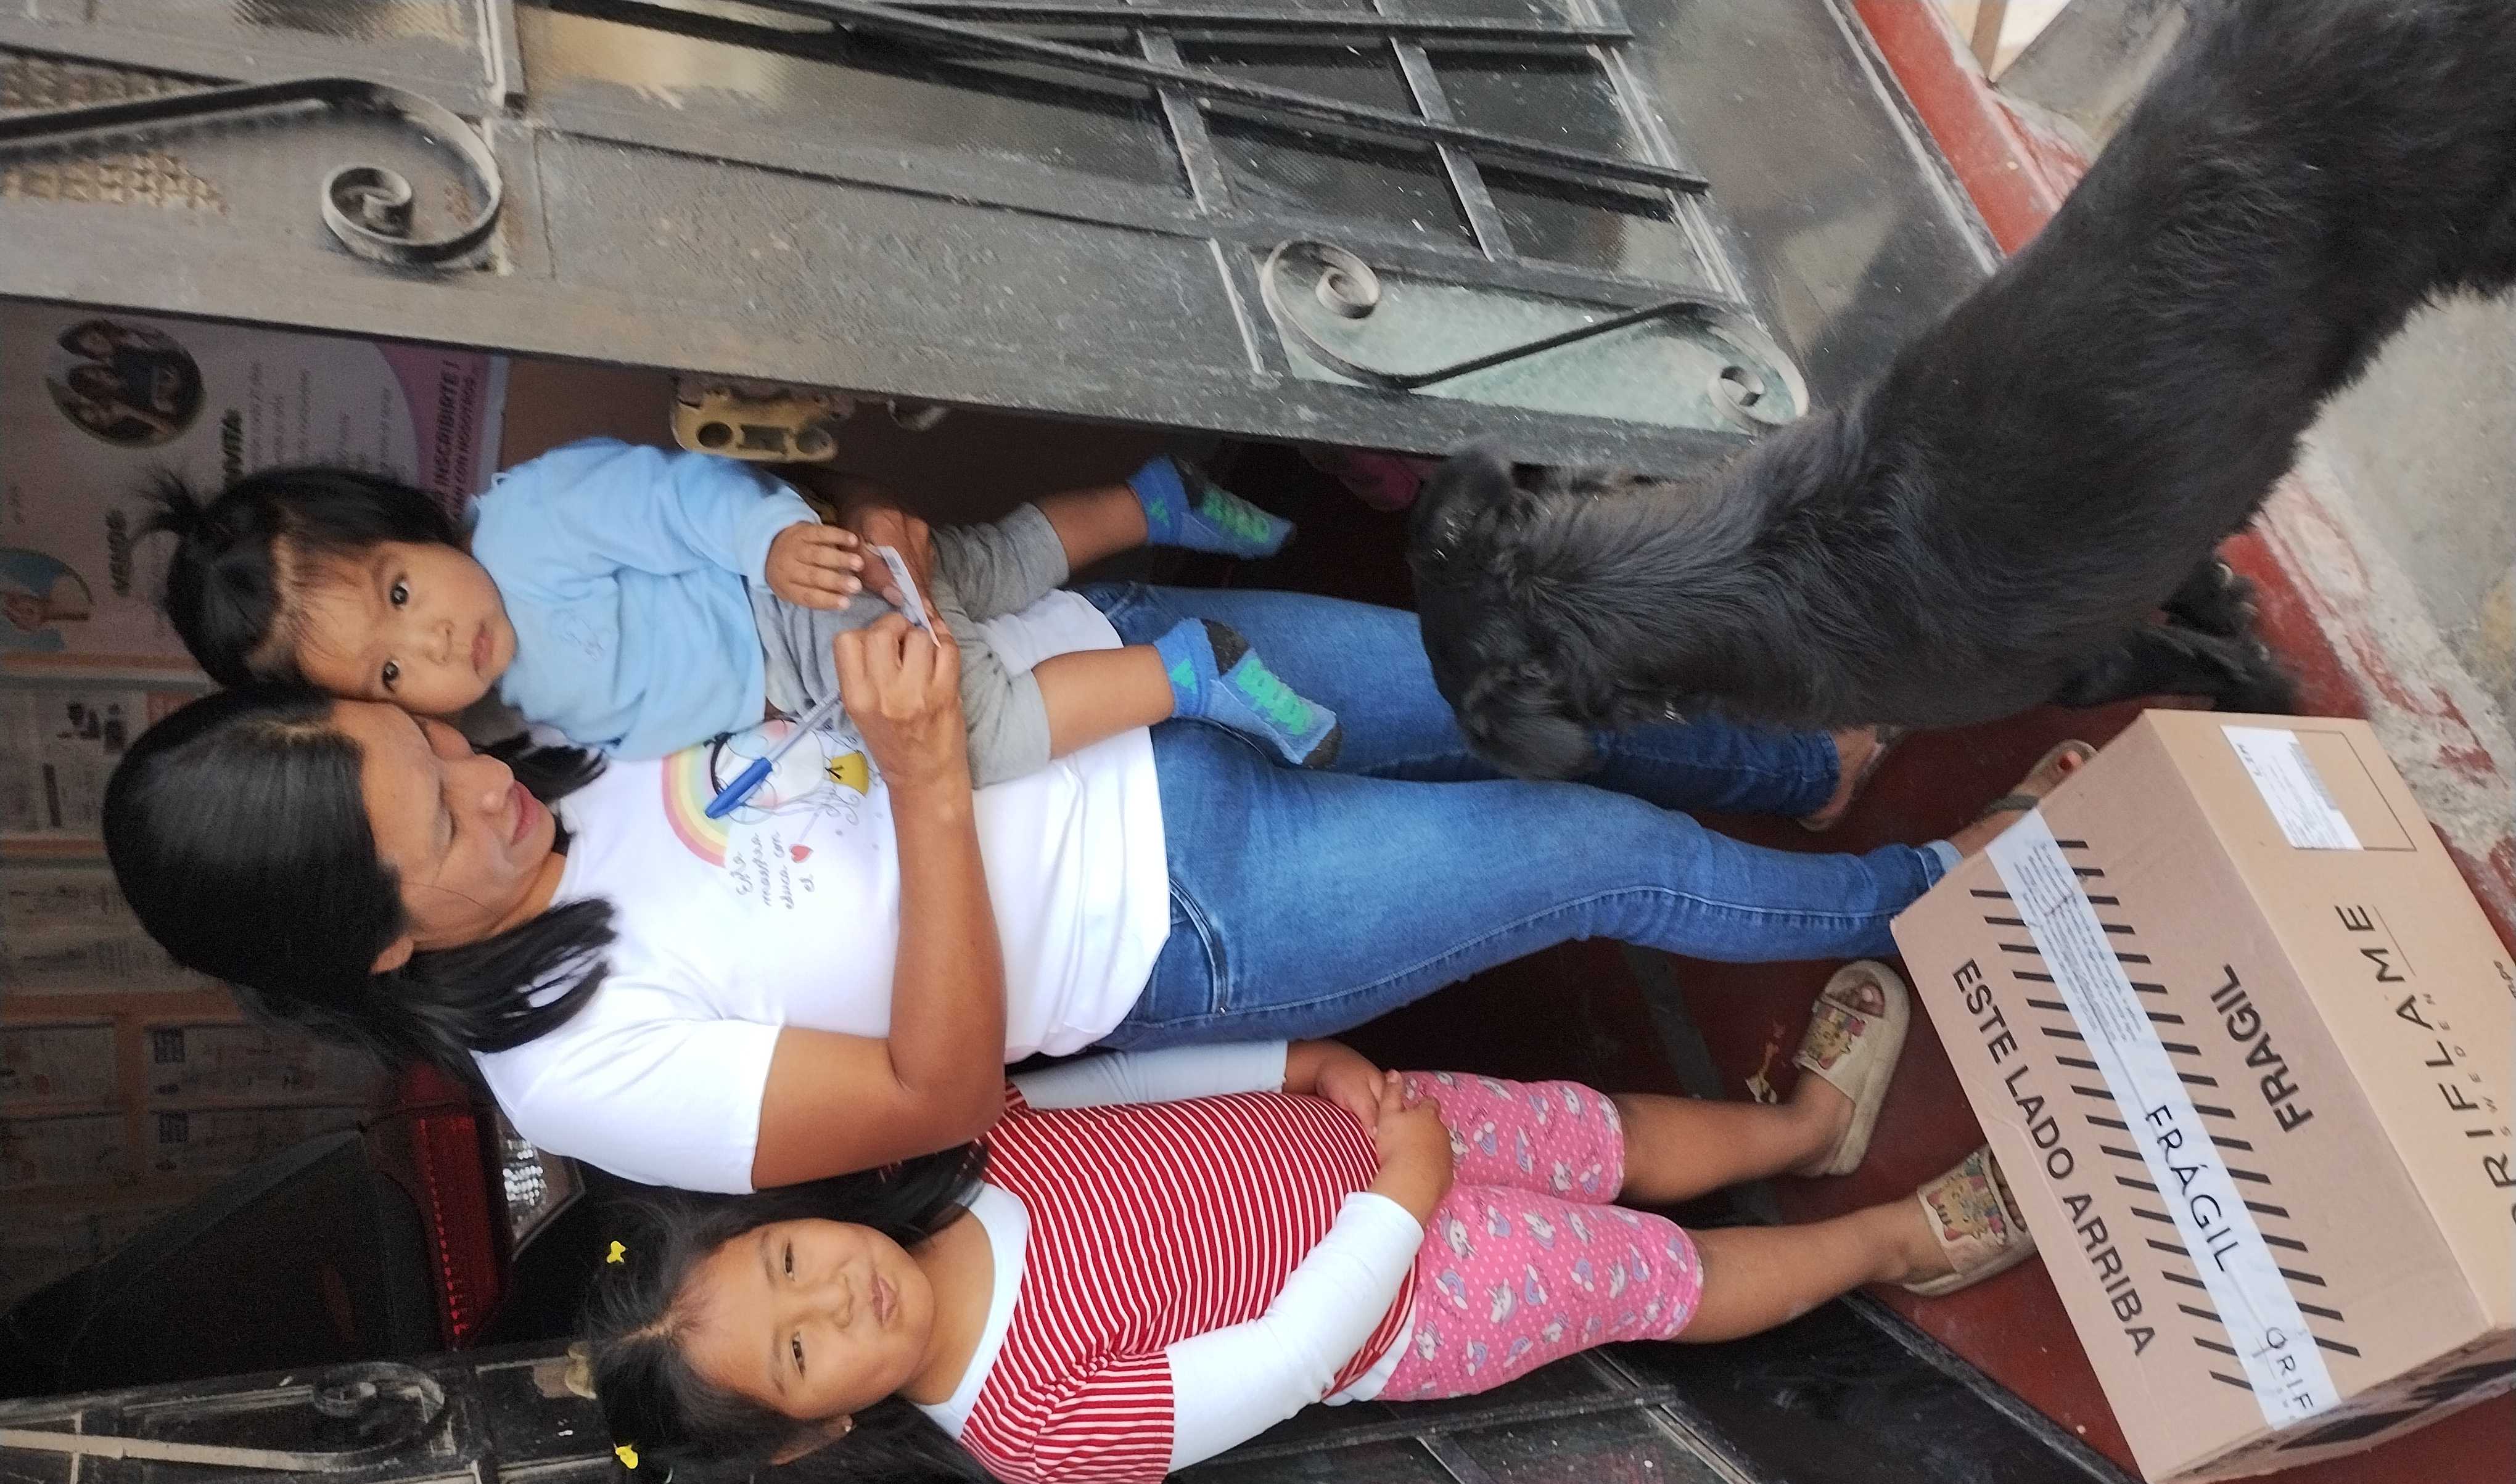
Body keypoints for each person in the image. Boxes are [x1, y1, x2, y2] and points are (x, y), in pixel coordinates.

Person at [102, 465, 2090, 1193]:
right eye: (432, 821)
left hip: (1120, 663)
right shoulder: (579, 1075)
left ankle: (1805, 774)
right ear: (374, 945)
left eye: (416, 738)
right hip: (1197, 912)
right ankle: (1940, 893)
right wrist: (931, 786)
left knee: (1516, 665)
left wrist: (866, 541)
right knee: (1574, 855)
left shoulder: (544, 729)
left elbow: (760, 598)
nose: (472, 775)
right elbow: (941, 1095)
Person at [581, 972, 2037, 1484]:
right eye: (799, 1354)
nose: (835, 1297)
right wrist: (1401, 1204)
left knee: (1605, 1133)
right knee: (1668, 1276)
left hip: (1367, 1133)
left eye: (788, 1264)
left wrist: (1295, 1065)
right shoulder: (1028, 1426)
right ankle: (1897, 1239)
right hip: (1416, 1293)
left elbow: (1117, 1090)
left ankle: (1804, 1132)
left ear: (790, 1218)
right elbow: (1280, 1365)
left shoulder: (953, 1160)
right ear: (813, 1434)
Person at [147, 442, 1338, 781]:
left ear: (404, 523)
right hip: (798, 638)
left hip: (793, 606)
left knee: (974, 735)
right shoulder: (504, 704)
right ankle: (1156, 500)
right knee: (989, 567)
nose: (433, 644)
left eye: (400, 595)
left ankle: (1189, 671)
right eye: (393, 673)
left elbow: (670, 497)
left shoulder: (525, 528)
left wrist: (766, 540)